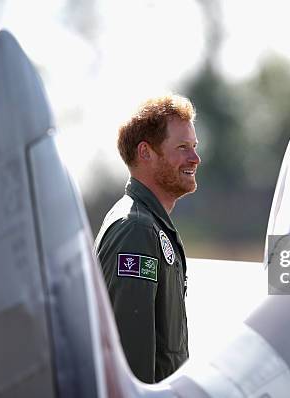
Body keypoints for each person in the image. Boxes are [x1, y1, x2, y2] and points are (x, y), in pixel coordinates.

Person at [94, 94, 200, 383]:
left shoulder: (150, 226)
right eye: (182, 147)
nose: (195, 158)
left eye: (194, 147)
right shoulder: (136, 229)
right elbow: (130, 369)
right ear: (146, 153)